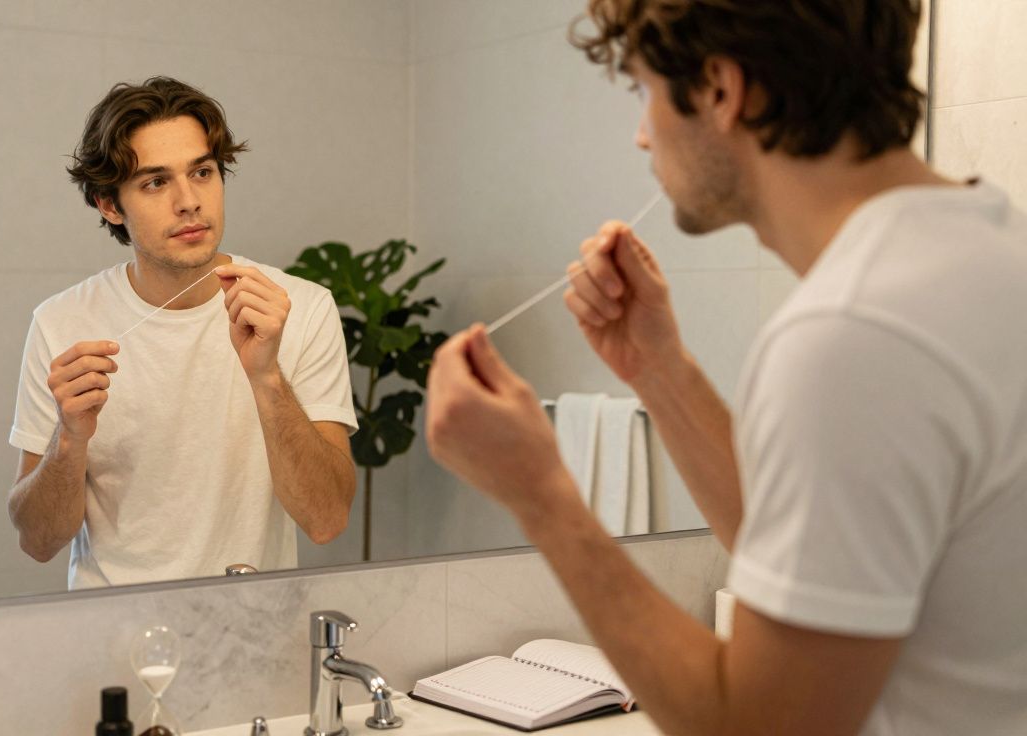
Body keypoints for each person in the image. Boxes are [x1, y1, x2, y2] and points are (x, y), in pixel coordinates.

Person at [425, 1, 1027, 734]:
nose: (643, 133)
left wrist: (541, 497)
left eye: (644, 90)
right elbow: (819, 562)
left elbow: (759, 726)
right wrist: (661, 372)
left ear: (718, 89)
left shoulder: (853, 333)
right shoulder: (987, 247)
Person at [7, 77, 357, 589]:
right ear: (109, 205)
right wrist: (69, 439)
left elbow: (326, 520)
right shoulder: (62, 324)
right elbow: (38, 541)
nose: (189, 201)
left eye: (203, 172)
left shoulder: (300, 309)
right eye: (155, 182)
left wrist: (267, 379)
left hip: (253, 624)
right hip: (113, 635)